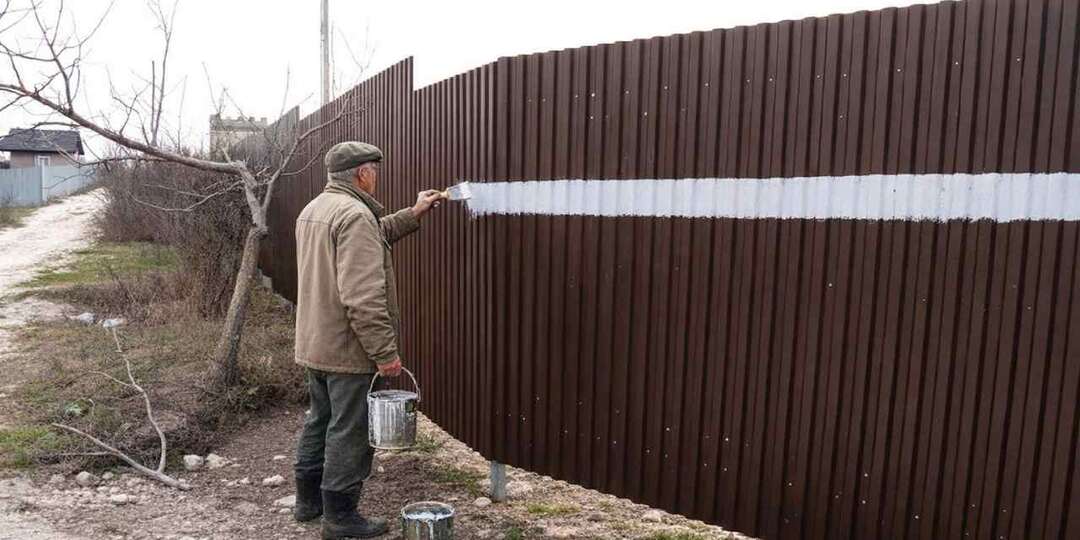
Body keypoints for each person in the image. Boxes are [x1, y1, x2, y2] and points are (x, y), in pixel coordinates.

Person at [291, 141, 443, 539]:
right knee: (351, 429)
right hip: (347, 348)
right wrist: (385, 353)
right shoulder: (355, 215)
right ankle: (340, 518)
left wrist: (413, 213)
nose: (377, 175)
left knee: (320, 420)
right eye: (374, 169)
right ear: (362, 174)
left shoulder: (316, 209)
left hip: (316, 342)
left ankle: (308, 503)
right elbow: (362, 296)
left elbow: (373, 235)